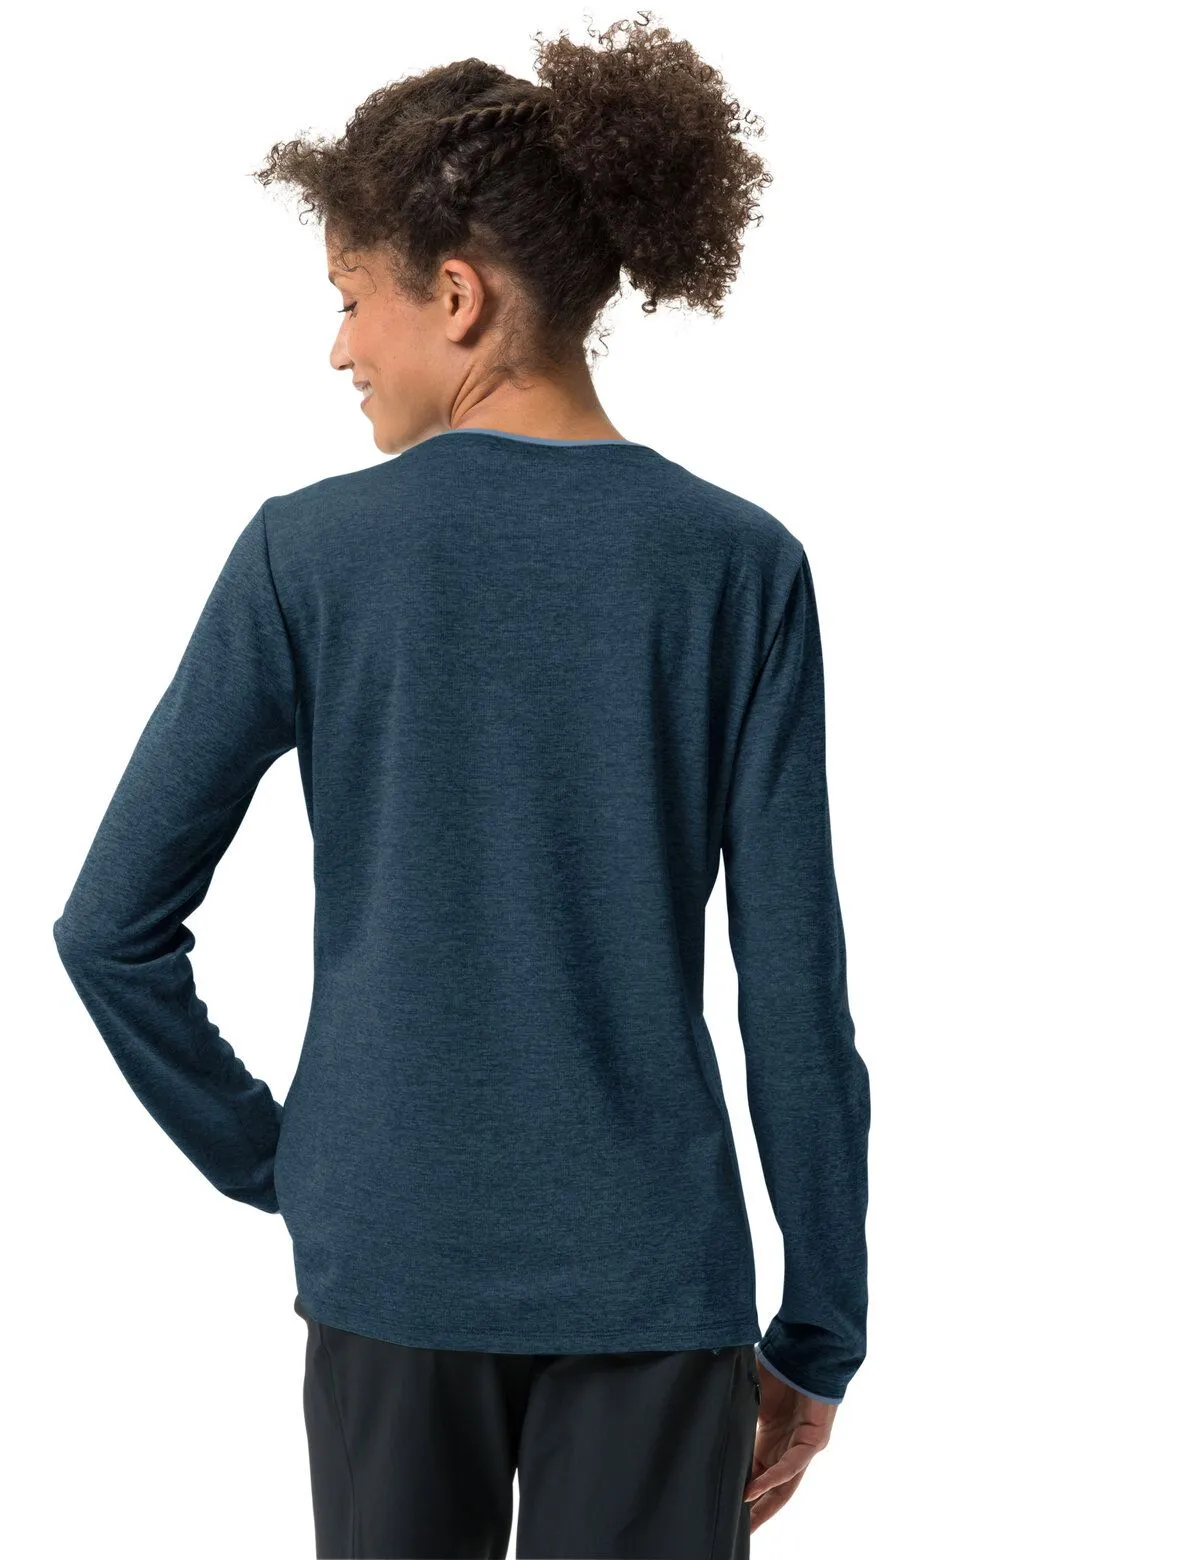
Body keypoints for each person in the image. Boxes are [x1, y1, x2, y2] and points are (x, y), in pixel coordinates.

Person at [51, 15, 870, 1559]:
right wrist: (820, 1326)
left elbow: (109, 929)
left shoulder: (307, 555)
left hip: (389, 1259)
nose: (337, 348)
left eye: (349, 296)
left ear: (454, 294)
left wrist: (286, 1160)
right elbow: (794, 992)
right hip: (650, 1278)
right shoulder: (739, 568)